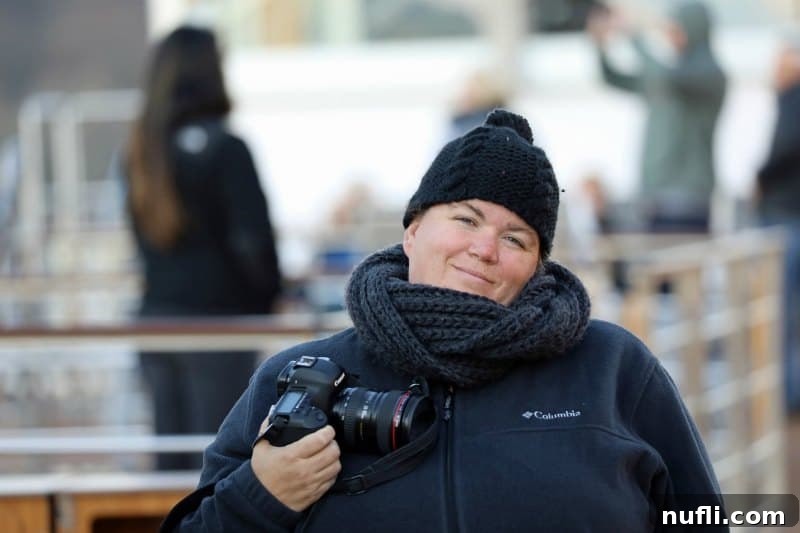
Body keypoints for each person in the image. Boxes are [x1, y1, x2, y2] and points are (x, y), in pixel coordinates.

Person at [161, 110, 724, 531]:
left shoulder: (612, 369)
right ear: (412, 230)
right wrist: (261, 495)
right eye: (465, 219)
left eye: (515, 238)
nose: (484, 249)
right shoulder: (302, 378)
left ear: (535, 266)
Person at [123, 26, 281, 470]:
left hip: (154, 324)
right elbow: (253, 243)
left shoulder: (140, 152)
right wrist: (269, 299)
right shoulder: (227, 150)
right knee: (220, 468)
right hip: (217, 329)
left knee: (169, 473)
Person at [587, 1, 726, 233]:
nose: (670, 36)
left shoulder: (709, 75)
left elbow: (665, 76)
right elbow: (613, 78)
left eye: (676, 28)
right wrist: (599, 45)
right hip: (655, 197)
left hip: (689, 200)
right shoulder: (666, 77)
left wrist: (633, 34)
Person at [755, 38, 800, 417]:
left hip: (785, 218)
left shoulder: (793, 98)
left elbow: (783, 150)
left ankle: (788, 396)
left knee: (780, 312)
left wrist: (759, 179)